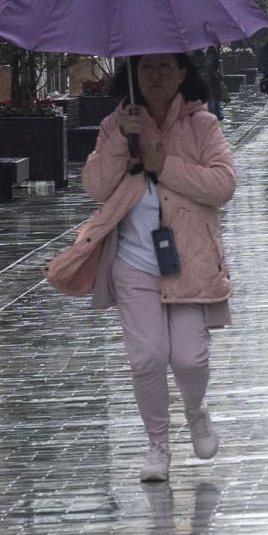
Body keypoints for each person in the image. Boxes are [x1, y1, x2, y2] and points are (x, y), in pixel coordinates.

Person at [45, 53, 237, 483]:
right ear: (131, 73)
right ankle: (157, 445)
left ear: (183, 73)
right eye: (145, 67)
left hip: (190, 258)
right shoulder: (118, 124)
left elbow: (222, 185)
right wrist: (120, 142)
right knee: (147, 358)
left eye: (165, 67)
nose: (155, 76)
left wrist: (162, 163)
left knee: (189, 358)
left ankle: (195, 411)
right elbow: (95, 187)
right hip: (134, 260)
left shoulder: (202, 125)